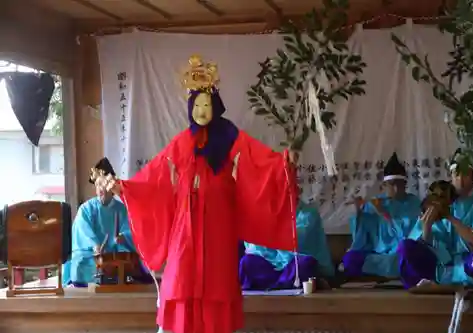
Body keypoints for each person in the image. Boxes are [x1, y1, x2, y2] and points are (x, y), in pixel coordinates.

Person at [93, 55, 298, 333]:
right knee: (180, 277)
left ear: (216, 106)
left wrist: (283, 163)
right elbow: (155, 176)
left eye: (207, 104)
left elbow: (257, 159)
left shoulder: (231, 137)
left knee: (217, 282)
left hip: (219, 222)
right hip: (185, 225)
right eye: (197, 105)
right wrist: (125, 187)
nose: (202, 111)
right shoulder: (182, 141)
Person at [398, 149, 473, 290]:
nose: (460, 180)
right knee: (406, 247)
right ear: (450, 175)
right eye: (456, 174)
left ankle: (455, 280)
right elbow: (428, 242)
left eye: (466, 174)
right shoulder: (440, 198)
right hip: (441, 265)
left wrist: (449, 217)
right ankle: (430, 280)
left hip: (470, 262)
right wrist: (426, 228)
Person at [62, 157, 143, 287]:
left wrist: (123, 237)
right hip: (91, 255)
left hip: (114, 255)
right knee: (83, 262)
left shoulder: (121, 209)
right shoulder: (87, 209)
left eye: (103, 185)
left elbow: (130, 230)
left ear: (111, 187)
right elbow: (83, 230)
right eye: (97, 185)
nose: (100, 189)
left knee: (126, 263)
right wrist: (95, 245)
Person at [340, 152, 421, 279]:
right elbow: (361, 236)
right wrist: (358, 211)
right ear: (384, 185)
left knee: (407, 260)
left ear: (405, 185)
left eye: (399, 184)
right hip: (376, 254)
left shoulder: (413, 203)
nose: (395, 189)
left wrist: (384, 213)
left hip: (398, 254)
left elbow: (409, 237)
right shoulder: (376, 202)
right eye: (391, 184)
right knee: (350, 259)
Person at [239, 200, 335, 290]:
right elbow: (254, 246)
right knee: (247, 262)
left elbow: (296, 240)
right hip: (271, 268)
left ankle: (276, 286)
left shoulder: (308, 213)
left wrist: (269, 233)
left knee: (305, 263)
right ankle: (281, 285)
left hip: (293, 265)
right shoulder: (262, 212)